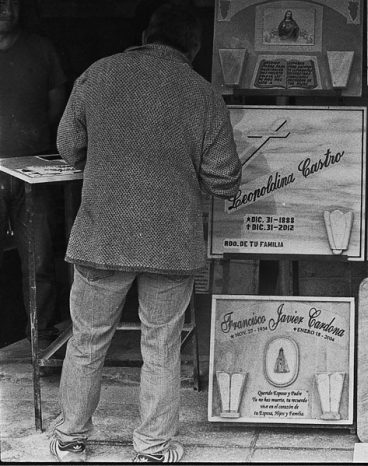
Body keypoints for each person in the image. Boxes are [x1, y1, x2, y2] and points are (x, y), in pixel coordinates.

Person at [50, 4, 241, 463]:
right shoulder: (202, 94)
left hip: (102, 237)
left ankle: (71, 438)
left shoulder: (96, 76)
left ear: (144, 34)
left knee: (87, 339)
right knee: (161, 345)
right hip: (171, 245)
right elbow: (225, 179)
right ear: (193, 48)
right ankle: (153, 448)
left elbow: (67, 146)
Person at [0, 0, 66, 349]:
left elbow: (57, 102)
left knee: (39, 257)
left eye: (12, 3)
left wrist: (38, 142)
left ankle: (41, 341)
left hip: (32, 171)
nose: (6, 9)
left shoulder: (41, 50)